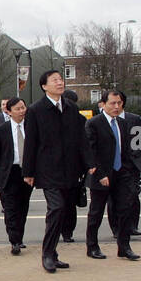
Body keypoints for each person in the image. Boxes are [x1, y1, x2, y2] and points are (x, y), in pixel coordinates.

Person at [21, 70, 90, 273]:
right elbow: (31, 143)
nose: (60, 83)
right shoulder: (35, 110)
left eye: (61, 79)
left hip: (70, 169)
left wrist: (89, 163)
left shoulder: (70, 107)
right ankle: (47, 254)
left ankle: (53, 253)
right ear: (44, 86)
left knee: (64, 212)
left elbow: (80, 139)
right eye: (55, 80)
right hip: (47, 170)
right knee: (57, 208)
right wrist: (28, 171)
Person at [84, 89, 141, 261]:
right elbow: (91, 152)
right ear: (103, 104)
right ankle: (92, 246)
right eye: (113, 104)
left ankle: (124, 246)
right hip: (101, 174)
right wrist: (100, 173)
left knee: (124, 210)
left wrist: (130, 171)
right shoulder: (94, 123)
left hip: (122, 174)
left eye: (119, 103)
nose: (116, 107)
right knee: (96, 212)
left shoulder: (123, 124)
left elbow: (129, 149)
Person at [0, 96, 33, 256]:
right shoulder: (0, 130)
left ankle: (19, 237)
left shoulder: (31, 127)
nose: (22, 111)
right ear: (8, 112)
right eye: (17, 108)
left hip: (27, 172)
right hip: (9, 173)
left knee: (23, 207)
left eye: (23, 107)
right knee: (10, 208)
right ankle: (14, 240)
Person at [110, 101, 141, 238]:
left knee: (133, 195)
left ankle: (133, 226)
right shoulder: (105, 120)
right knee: (113, 199)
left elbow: (140, 141)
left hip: (132, 163)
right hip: (115, 164)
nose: (116, 106)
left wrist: (140, 161)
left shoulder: (134, 119)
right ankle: (116, 228)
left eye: (118, 102)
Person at [59, 88, 83, 242]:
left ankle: (66, 231)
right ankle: (66, 232)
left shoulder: (80, 121)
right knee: (65, 204)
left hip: (72, 169)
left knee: (67, 204)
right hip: (63, 170)